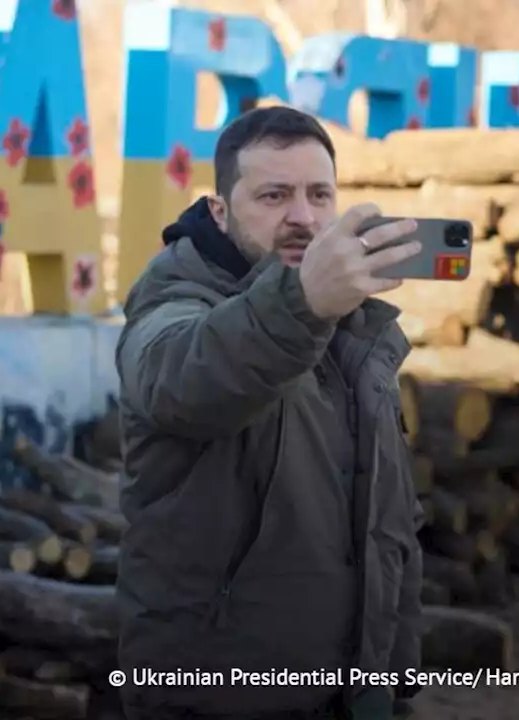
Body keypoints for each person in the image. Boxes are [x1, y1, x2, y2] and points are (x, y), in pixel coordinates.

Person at [113, 106, 426, 719]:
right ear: (220, 211)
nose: (302, 218)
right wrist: (304, 302)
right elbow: (184, 378)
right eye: (274, 195)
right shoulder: (174, 303)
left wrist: (397, 674)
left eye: (318, 195)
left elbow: (387, 523)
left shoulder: (353, 327)